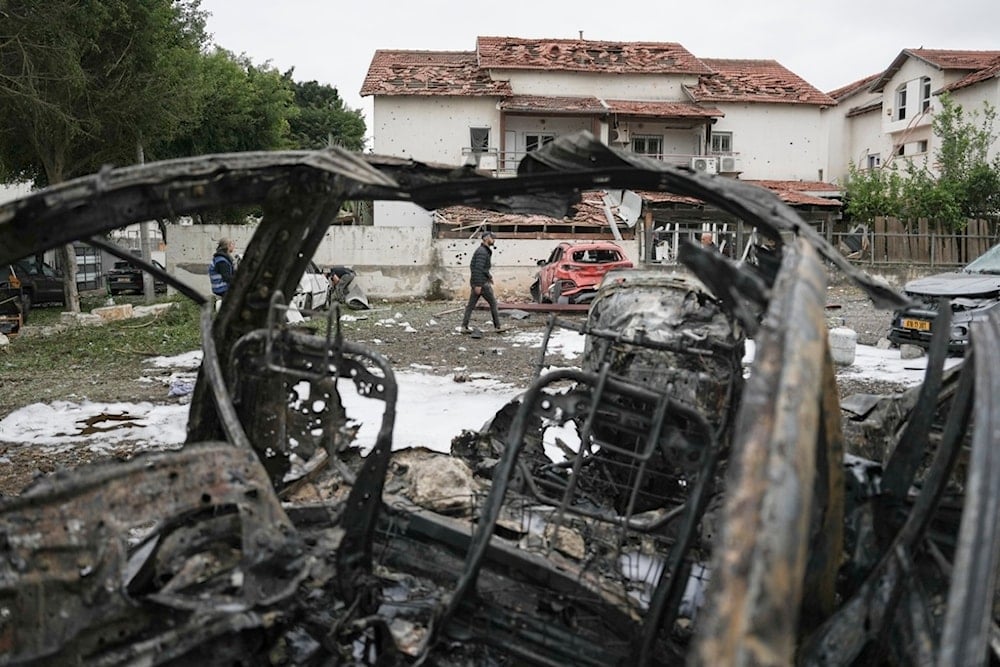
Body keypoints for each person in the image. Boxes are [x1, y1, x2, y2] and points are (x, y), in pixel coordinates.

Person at [461, 230, 503, 334]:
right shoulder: (482, 252)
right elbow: (477, 269)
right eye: (492, 238)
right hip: (482, 284)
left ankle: (464, 326)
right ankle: (497, 327)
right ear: (486, 239)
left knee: (470, 306)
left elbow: (482, 268)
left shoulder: (483, 251)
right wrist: (478, 285)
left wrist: (489, 276)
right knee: (493, 303)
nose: (494, 240)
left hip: (480, 282)